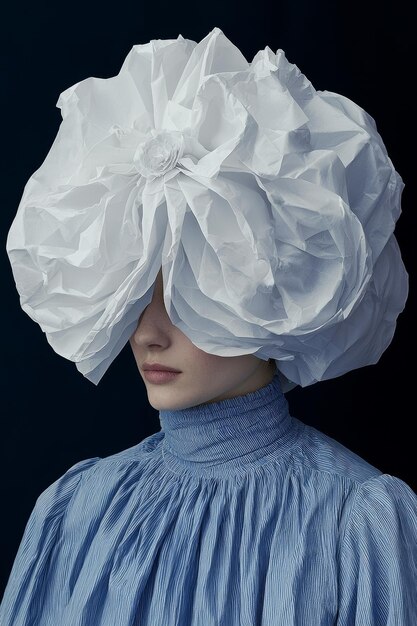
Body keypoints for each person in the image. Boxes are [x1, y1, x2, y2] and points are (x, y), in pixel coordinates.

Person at [1, 27, 416, 625]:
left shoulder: (355, 522)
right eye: (135, 293)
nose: (146, 334)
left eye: (191, 292)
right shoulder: (79, 510)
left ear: (274, 287)